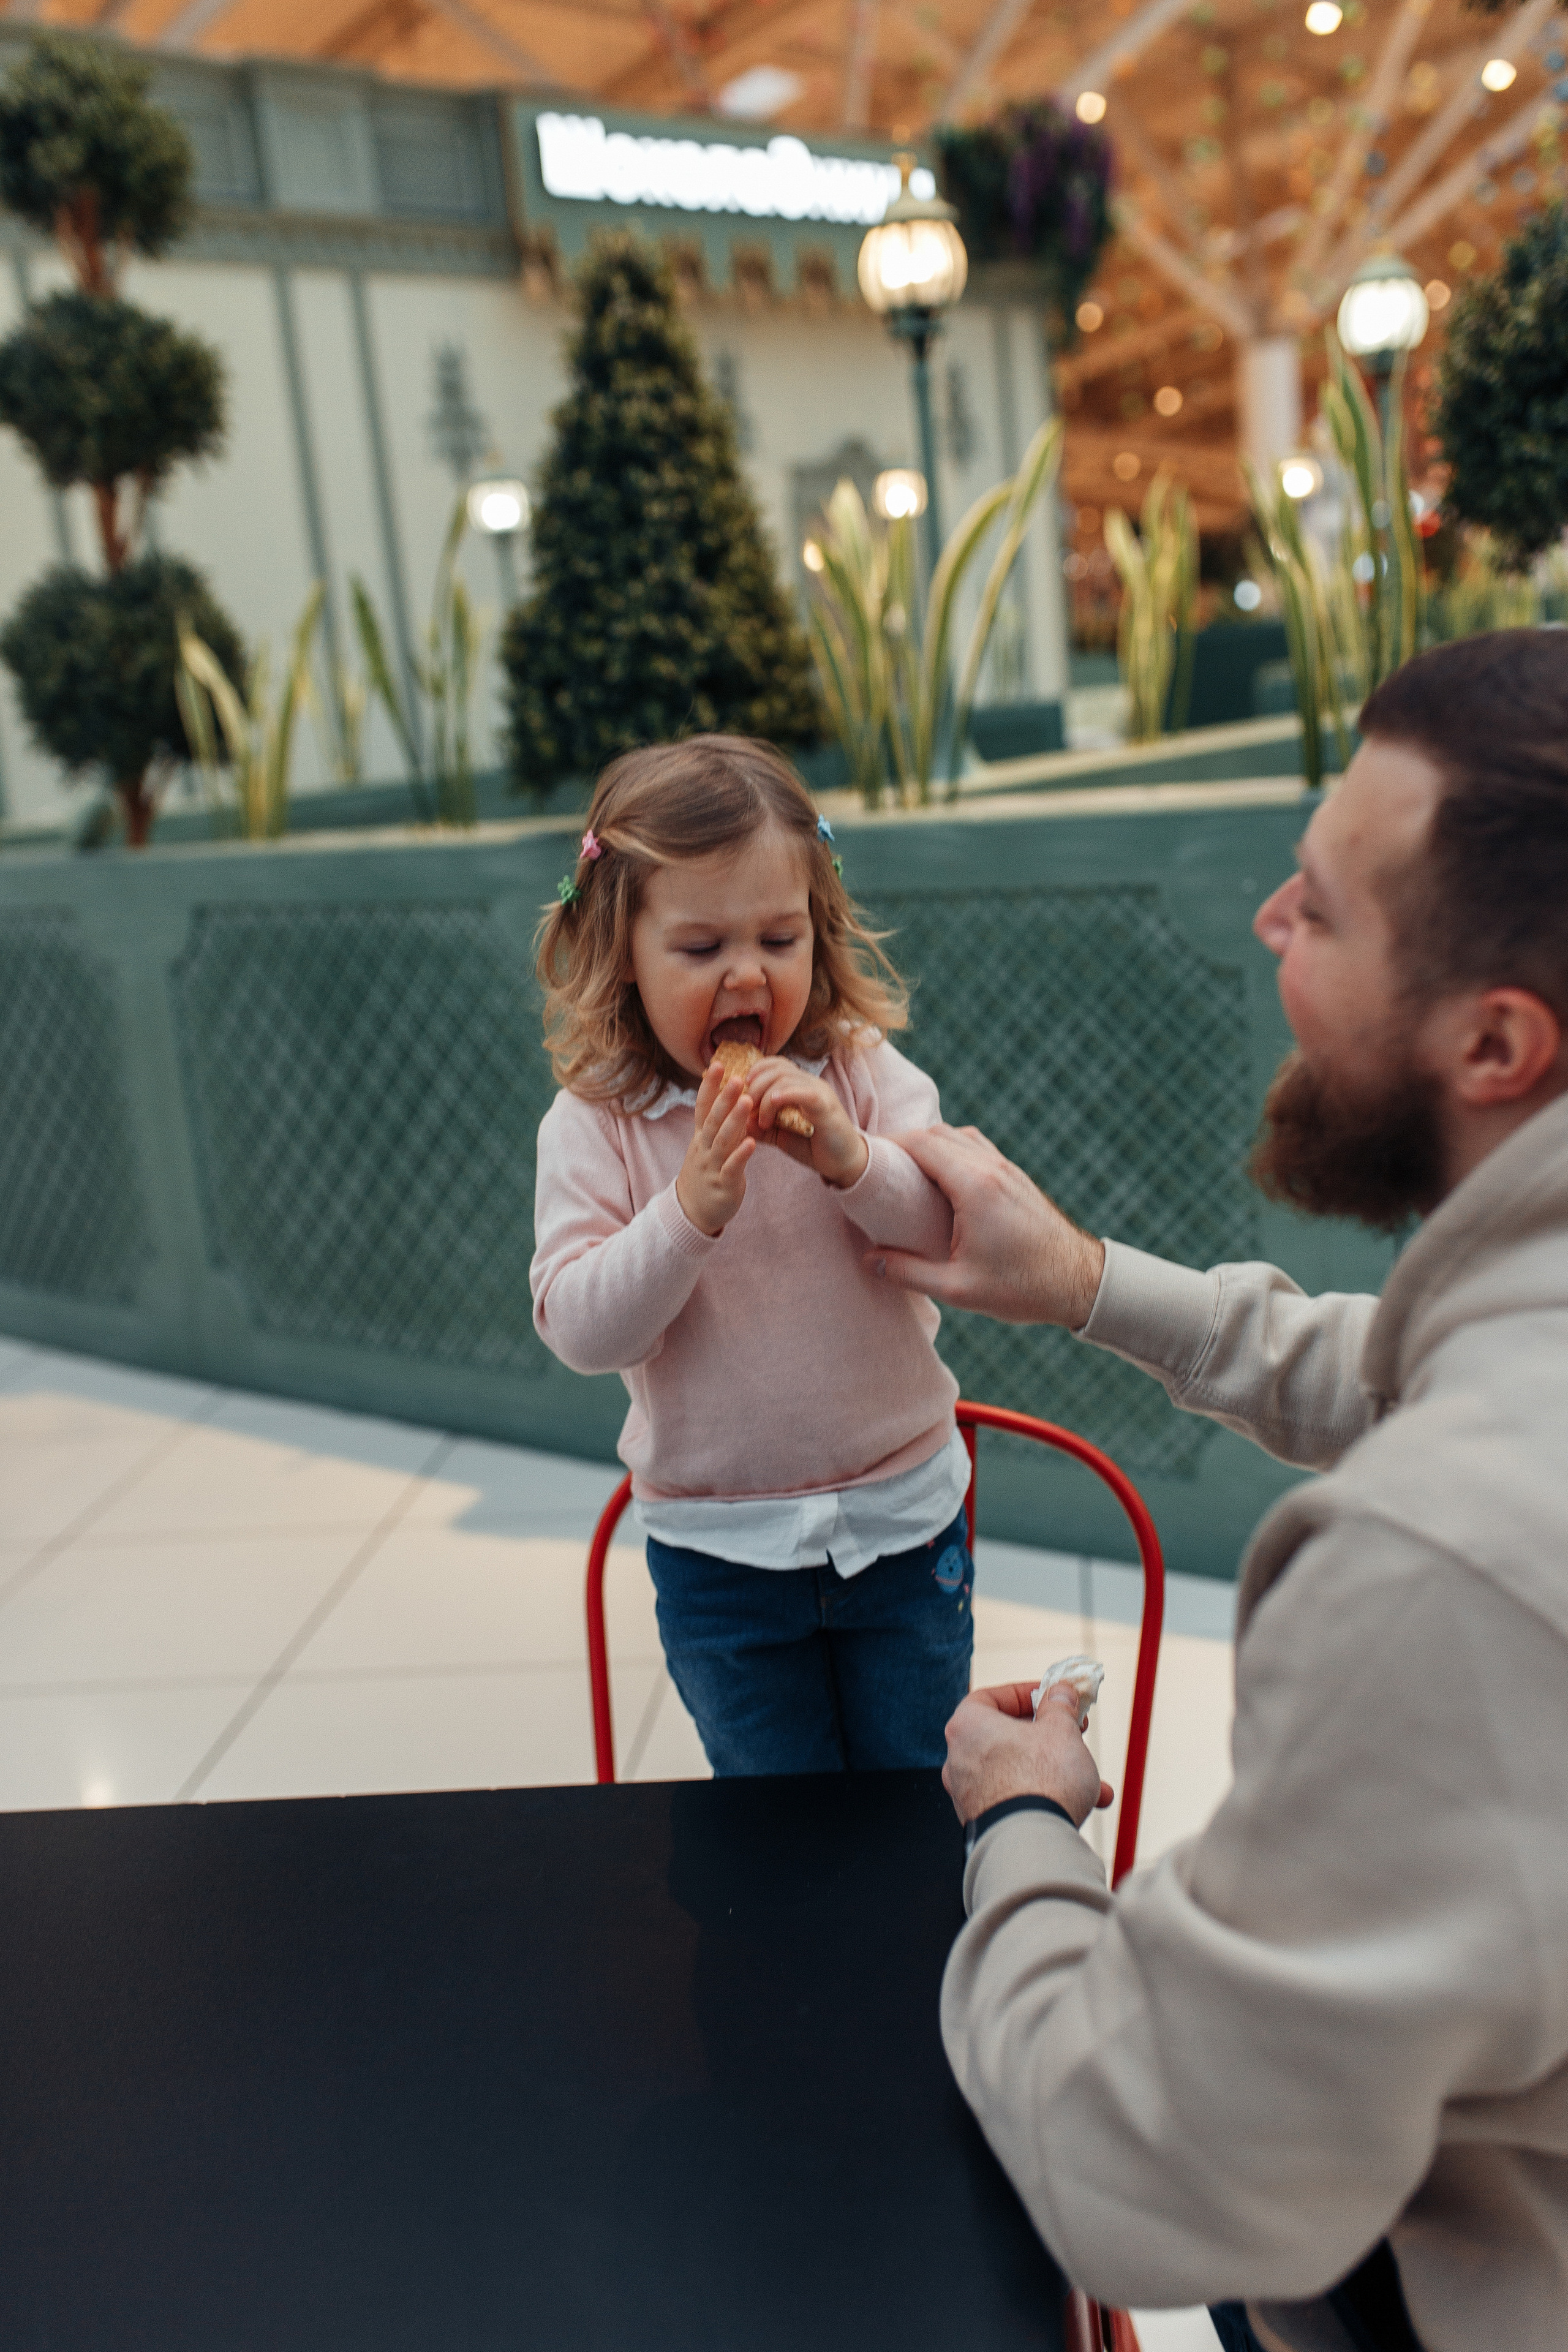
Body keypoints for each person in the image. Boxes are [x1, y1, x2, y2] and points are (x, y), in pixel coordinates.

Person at [866, 630, 1568, 2352]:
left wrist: (1024, 1834)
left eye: (1321, 908)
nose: (1268, 923)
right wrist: (1088, 1279)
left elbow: (1147, 2183)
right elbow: (1429, 1373)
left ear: (1494, 1041)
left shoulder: (1431, 1575)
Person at [530, 734, 970, 1776]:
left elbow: (950, 1231)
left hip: (903, 1524)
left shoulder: (857, 1074)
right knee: (777, 1830)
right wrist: (687, 1213)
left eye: (780, 937)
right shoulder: (600, 1124)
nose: (747, 973)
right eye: (700, 949)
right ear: (622, 954)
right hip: (719, 1560)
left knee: (917, 1793)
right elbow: (582, 1330)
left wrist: (852, 1159)